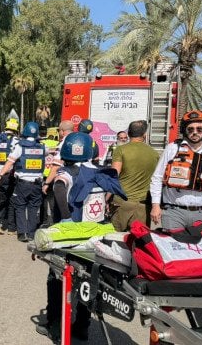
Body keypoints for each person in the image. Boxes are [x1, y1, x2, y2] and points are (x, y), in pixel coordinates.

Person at [36, 131, 126, 342]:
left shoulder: (67, 172)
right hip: (94, 236)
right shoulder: (99, 170)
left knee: (57, 280)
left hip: (70, 237)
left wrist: (66, 218)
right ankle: (82, 326)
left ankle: (55, 326)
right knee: (88, 280)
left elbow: (59, 188)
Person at [0, 121, 45, 242]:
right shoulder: (42, 147)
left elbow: (9, 162)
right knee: (33, 208)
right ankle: (31, 234)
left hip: (22, 183)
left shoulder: (20, 147)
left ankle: (22, 233)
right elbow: (51, 153)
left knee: (20, 207)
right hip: (37, 184)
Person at [109, 120, 158, 231]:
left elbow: (113, 176)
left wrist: (107, 198)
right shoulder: (154, 153)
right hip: (143, 206)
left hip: (122, 203)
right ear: (144, 135)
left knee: (116, 240)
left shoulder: (121, 150)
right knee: (139, 240)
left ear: (129, 133)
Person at [0, 118, 20, 234]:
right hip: (10, 173)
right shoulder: (16, 140)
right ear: (15, 129)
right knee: (7, 199)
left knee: (8, 198)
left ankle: (11, 227)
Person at [41, 120, 76, 223]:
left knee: (61, 209)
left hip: (64, 181)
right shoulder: (77, 141)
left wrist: (47, 183)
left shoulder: (63, 144)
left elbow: (56, 166)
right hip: (78, 178)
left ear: (62, 131)